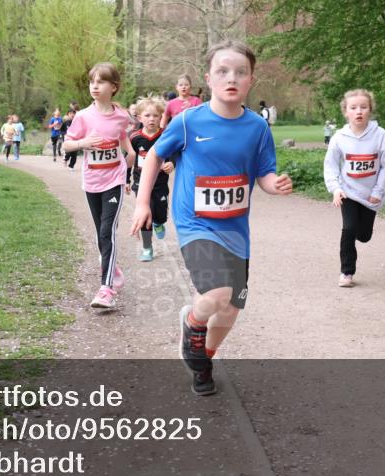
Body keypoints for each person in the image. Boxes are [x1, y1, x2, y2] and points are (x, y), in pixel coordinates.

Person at [130, 40, 293, 396]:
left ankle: (202, 361)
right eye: (222, 71)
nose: (231, 78)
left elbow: (264, 172)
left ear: (251, 80)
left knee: (231, 309)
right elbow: (155, 156)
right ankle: (193, 322)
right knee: (217, 293)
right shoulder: (189, 121)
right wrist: (143, 203)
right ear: (209, 78)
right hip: (195, 224)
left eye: (240, 72)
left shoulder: (257, 128)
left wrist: (274, 184)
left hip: (236, 230)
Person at [64, 64, 136, 310]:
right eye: (92, 82)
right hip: (92, 181)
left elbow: (123, 137)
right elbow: (67, 145)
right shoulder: (83, 116)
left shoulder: (122, 115)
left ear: (113, 87)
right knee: (100, 235)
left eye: (101, 82)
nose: (94, 86)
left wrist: (130, 156)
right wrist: (83, 142)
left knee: (108, 232)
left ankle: (106, 289)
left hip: (114, 180)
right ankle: (113, 271)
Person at [323, 90, 385, 288]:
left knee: (364, 236)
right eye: (353, 108)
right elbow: (331, 165)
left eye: (363, 107)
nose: (358, 111)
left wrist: (378, 192)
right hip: (348, 193)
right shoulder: (339, 138)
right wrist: (335, 188)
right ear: (346, 112)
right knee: (349, 229)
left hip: (371, 195)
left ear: (370, 110)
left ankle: (362, 229)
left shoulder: (380, 136)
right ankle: (347, 272)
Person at [129, 96, 174, 261]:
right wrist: (127, 181)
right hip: (140, 184)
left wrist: (172, 164)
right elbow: (130, 159)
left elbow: (175, 153)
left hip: (160, 184)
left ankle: (159, 222)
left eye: (156, 115)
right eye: (147, 116)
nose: (152, 119)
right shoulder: (134, 138)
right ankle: (147, 248)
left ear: (161, 116)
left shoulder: (166, 135)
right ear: (139, 117)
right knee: (144, 214)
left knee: (159, 214)